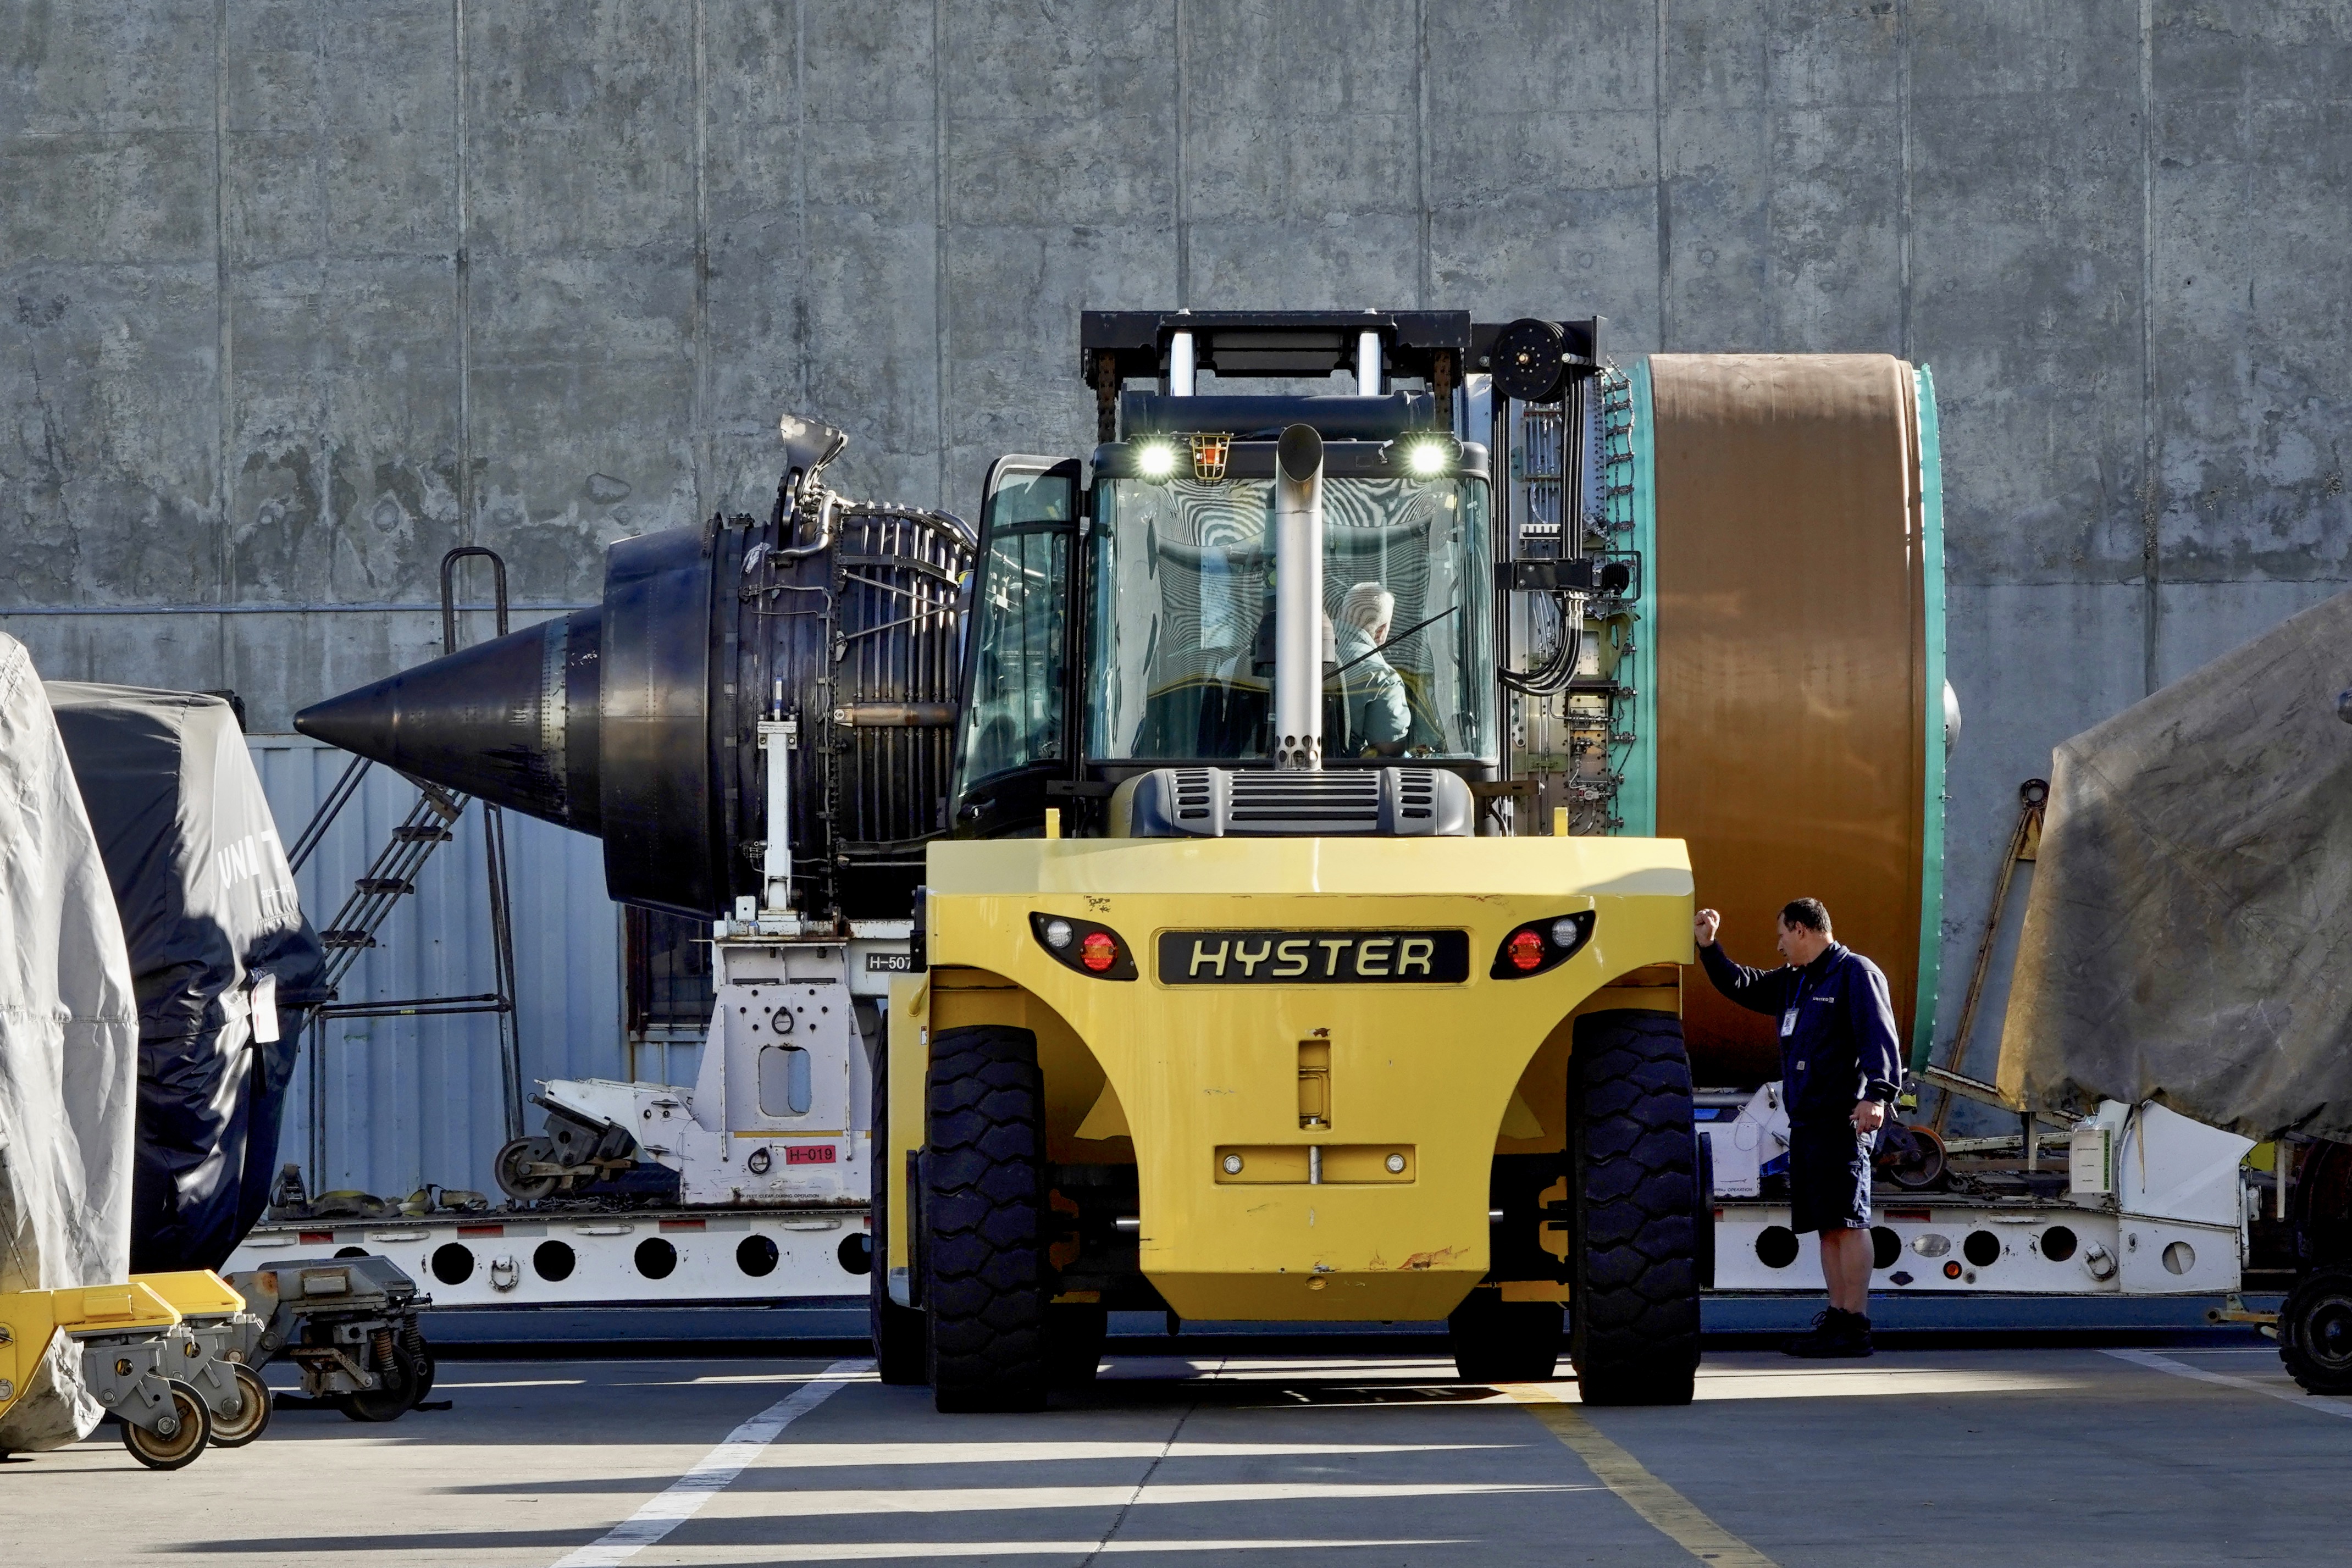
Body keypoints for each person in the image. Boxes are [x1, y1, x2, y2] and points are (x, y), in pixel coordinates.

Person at [1694, 897, 1902, 1358]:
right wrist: (1709, 948)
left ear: (1803, 929)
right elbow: (1742, 985)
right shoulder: (1794, 981)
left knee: (1849, 1220)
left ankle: (1856, 1321)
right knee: (1826, 1225)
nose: (1780, 944)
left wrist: (1878, 1095)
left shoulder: (1854, 973)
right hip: (1805, 1122)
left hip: (1841, 1120)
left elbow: (1879, 1037)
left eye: (1783, 935)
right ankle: (1836, 1318)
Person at [1331, 582, 1411, 756]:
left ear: (1343, 613)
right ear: (1381, 631)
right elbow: (1391, 749)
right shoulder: (1382, 677)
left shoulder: (1300, 647)